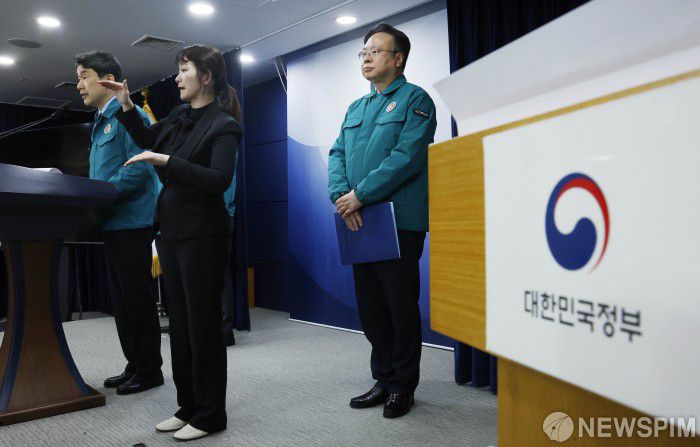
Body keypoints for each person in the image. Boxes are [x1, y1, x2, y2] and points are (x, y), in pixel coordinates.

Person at [100, 44, 242, 441]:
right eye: (178, 71)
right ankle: (188, 406)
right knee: (178, 326)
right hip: (173, 231)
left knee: (203, 326)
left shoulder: (225, 125)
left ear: (206, 77)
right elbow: (148, 137)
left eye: (184, 71)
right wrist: (126, 104)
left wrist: (167, 162)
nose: (177, 79)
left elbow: (219, 180)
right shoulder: (179, 115)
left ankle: (211, 414)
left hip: (204, 234)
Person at [327, 23, 437, 419]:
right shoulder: (356, 107)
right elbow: (337, 154)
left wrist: (360, 195)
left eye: (376, 50)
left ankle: (403, 386)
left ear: (398, 58)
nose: (367, 57)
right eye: (364, 52)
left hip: (398, 220)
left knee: (399, 306)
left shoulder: (415, 100)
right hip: (359, 218)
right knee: (371, 307)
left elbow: (407, 156)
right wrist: (342, 197)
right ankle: (384, 377)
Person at [75, 51, 163, 395]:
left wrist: (101, 194)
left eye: (84, 76)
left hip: (132, 220)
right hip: (111, 221)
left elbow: (140, 167)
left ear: (108, 79)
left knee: (137, 299)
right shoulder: (100, 121)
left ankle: (150, 370)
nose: (79, 85)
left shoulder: (131, 115)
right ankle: (135, 363)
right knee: (122, 301)